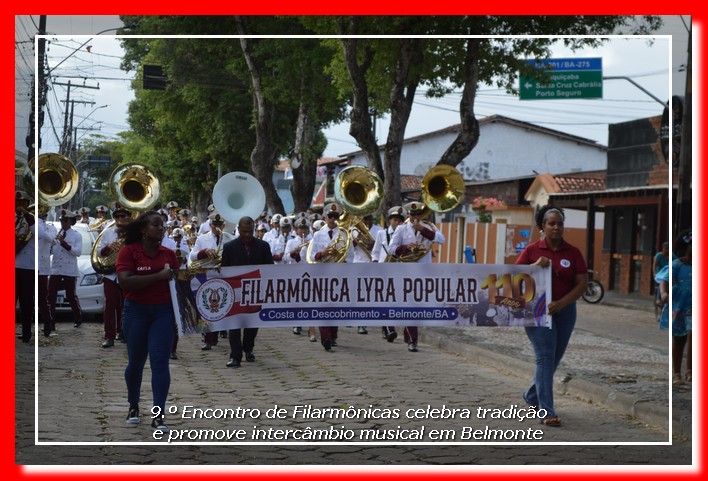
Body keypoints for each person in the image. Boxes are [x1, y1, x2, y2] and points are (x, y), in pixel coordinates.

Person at [515, 205, 588, 427]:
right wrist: (535, 265)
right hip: (537, 311)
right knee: (545, 357)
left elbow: (582, 284)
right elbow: (515, 279)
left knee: (554, 358)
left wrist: (562, 303)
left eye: (560, 223)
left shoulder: (573, 252)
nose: (556, 227)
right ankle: (547, 411)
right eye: (551, 223)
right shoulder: (531, 250)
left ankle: (531, 395)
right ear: (542, 227)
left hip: (565, 311)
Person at [116, 210, 179, 433]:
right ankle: (133, 405)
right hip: (136, 313)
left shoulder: (169, 254)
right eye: (156, 225)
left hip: (162, 313)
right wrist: (158, 277)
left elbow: (179, 284)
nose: (161, 229)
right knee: (136, 362)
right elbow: (126, 282)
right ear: (144, 230)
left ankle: (158, 415)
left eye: (162, 225)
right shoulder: (128, 251)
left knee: (160, 362)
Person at [388, 201, 446, 352]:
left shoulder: (429, 227)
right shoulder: (401, 229)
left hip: (422, 272)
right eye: (412, 215)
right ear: (408, 215)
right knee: (409, 304)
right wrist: (406, 248)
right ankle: (412, 339)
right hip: (405, 271)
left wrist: (423, 230)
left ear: (421, 215)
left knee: (416, 305)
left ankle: (410, 337)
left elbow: (441, 240)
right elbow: (391, 249)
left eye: (418, 215)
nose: (415, 218)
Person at [221, 216, 274, 368]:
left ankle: (248, 349)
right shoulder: (230, 247)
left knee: (252, 324)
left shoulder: (263, 246)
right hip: (235, 292)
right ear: (238, 230)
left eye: (250, 232)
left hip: (255, 291)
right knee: (234, 325)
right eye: (244, 232)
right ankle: (235, 356)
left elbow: (269, 267)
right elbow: (224, 269)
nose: (247, 235)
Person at [307, 203, 352, 350]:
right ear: (325, 218)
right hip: (322, 273)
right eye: (330, 217)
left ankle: (333, 336)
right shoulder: (318, 234)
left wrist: (343, 260)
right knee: (323, 305)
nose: (333, 219)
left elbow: (350, 256)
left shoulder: (344, 234)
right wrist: (323, 253)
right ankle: (325, 337)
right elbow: (312, 255)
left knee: (335, 305)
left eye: (335, 217)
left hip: (338, 273)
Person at [656, 229, 692, 385]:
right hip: (679, 305)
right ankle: (676, 373)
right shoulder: (677, 265)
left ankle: (690, 370)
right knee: (679, 339)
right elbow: (665, 280)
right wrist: (664, 293)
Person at [97, 202, 132, 348]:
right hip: (111, 274)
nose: (119, 219)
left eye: (123, 216)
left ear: (129, 216)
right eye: (116, 216)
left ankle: (125, 333)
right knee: (110, 305)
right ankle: (109, 336)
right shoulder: (108, 232)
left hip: (127, 274)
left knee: (127, 305)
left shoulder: (134, 232)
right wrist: (108, 248)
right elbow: (98, 251)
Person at [190, 213, 227, 350]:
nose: (216, 227)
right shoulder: (202, 238)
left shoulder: (228, 238)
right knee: (204, 307)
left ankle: (216, 334)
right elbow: (192, 256)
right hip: (205, 275)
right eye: (214, 225)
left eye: (219, 225)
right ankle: (206, 338)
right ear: (210, 225)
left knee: (220, 307)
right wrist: (204, 252)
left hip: (221, 275)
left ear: (223, 225)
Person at [372, 205, 406, 342]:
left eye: (399, 220)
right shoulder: (381, 234)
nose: (397, 222)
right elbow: (375, 252)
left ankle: (387, 327)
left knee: (394, 301)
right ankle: (389, 328)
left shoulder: (404, 234)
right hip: (383, 270)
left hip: (398, 269)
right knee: (385, 300)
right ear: (390, 220)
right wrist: (375, 263)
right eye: (394, 219)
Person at [48, 208, 84, 328]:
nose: (63, 222)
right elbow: (52, 251)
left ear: (70, 221)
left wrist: (64, 243)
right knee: (51, 294)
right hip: (56, 268)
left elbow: (77, 252)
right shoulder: (56, 234)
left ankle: (77, 316)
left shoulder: (76, 235)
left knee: (70, 295)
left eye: (65, 220)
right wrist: (50, 245)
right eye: (61, 220)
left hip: (69, 269)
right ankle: (51, 320)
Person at [351, 213, 383, 335]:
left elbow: (383, 247)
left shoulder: (379, 230)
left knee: (377, 295)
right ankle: (361, 323)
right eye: (365, 219)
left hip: (374, 264)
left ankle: (384, 326)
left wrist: (374, 244)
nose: (367, 221)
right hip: (359, 264)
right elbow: (348, 248)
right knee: (361, 295)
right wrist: (355, 240)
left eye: (369, 218)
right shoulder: (354, 230)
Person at [15, 191, 35, 342]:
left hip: (27, 266)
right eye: (17, 203)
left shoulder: (32, 219)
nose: (19, 206)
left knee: (26, 301)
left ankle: (27, 333)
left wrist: (26, 214)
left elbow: (37, 233)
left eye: (23, 203)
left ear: (27, 205)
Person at [37, 204, 57, 337]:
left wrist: (37, 221)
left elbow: (47, 237)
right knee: (26, 298)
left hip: (43, 267)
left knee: (42, 298)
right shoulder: (30, 224)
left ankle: (48, 322)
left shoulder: (51, 228)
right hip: (29, 265)